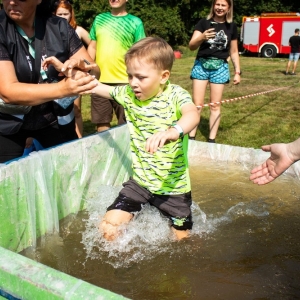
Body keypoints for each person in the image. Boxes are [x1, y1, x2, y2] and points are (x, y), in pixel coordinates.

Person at [45, 37, 199, 240]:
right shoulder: (128, 94)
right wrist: (69, 72)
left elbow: (192, 115)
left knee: (183, 242)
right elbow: (93, 85)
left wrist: (172, 132)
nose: (133, 83)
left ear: (164, 76)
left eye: (141, 77)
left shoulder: (176, 95)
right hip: (141, 184)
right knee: (108, 227)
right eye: (130, 76)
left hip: (173, 189)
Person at [0, 0, 99, 163]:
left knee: (67, 177)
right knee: (6, 183)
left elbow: (95, 71)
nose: (12, 1)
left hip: (56, 119)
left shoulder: (59, 26)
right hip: (7, 124)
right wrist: (64, 89)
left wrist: (82, 67)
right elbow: (8, 91)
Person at [88, 0, 146, 132]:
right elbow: (92, 46)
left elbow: (141, 53)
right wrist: (90, 70)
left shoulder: (135, 22)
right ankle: (105, 153)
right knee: (101, 123)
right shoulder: (99, 19)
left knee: (126, 125)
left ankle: (125, 153)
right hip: (99, 82)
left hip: (125, 83)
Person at [188, 0, 241, 143]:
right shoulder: (203, 23)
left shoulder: (232, 26)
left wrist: (237, 72)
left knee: (215, 105)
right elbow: (191, 46)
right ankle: (191, 137)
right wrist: (202, 37)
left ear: (228, 7)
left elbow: (234, 51)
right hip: (201, 65)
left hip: (220, 67)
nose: (220, 8)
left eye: (223, 5)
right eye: (217, 4)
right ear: (213, 6)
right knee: (197, 105)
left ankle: (211, 140)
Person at [54, 0, 91, 138]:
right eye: (60, 14)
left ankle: (79, 139)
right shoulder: (51, 30)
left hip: (76, 76)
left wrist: (86, 61)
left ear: (71, 14)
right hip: (58, 77)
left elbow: (93, 42)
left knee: (76, 111)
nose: (63, 17)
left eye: (66, 14)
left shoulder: (78, 30)